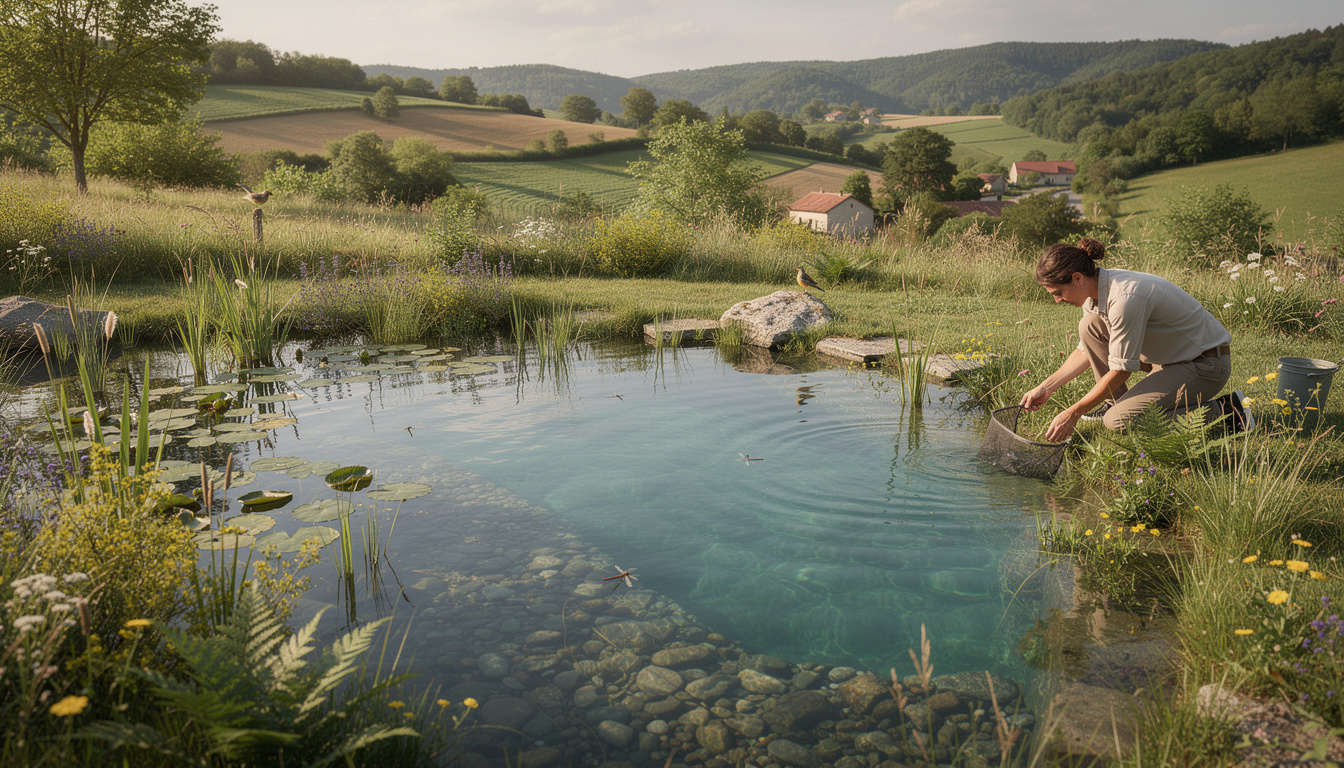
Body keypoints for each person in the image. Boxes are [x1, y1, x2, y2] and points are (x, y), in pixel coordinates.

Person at [1019, 238, 1249, 442]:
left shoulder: (1124, 299)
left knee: (1117, 422)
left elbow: (1121, 370)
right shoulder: (1095, 292)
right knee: (1089, 327)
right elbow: (1084, 351)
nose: (1058, 300)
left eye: (1058, 293)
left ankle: (1226, 411)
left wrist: (1073, 413)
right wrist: (1045, 387)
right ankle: (1115, 405)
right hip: (1170, 359)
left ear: (1077, 278)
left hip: (1204, 365)